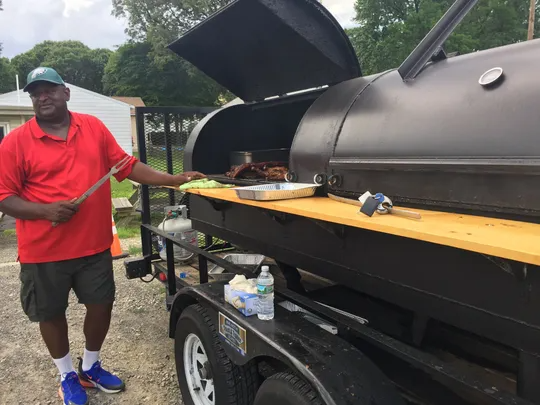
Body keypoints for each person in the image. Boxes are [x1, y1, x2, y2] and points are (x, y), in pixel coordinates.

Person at [0, 67, 206, 405]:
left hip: (93, 246)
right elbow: (4, 196)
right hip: (43, 251)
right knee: (50, 314)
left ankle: (90, 366)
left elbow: (126, 166)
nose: (42, 97)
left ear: (65, 92)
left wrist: (172, 179)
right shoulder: (16, 143)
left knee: (101, 305)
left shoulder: (92, 128)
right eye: (35, 93)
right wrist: (45, 211)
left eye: (49, 90)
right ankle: (67, 374)